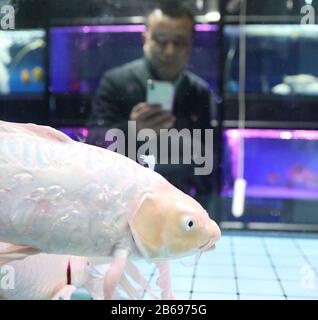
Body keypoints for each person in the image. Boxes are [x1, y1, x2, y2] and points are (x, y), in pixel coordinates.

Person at [87, 3, 217, 207]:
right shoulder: (115, 82)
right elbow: (92, 146)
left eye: (179, 42)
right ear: (145, 38)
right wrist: (133, 130)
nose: (169, 50)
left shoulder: (199, 92)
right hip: (124, 203)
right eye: (161, 40)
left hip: (181, 206)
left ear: (191, 44)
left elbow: (208, 160)